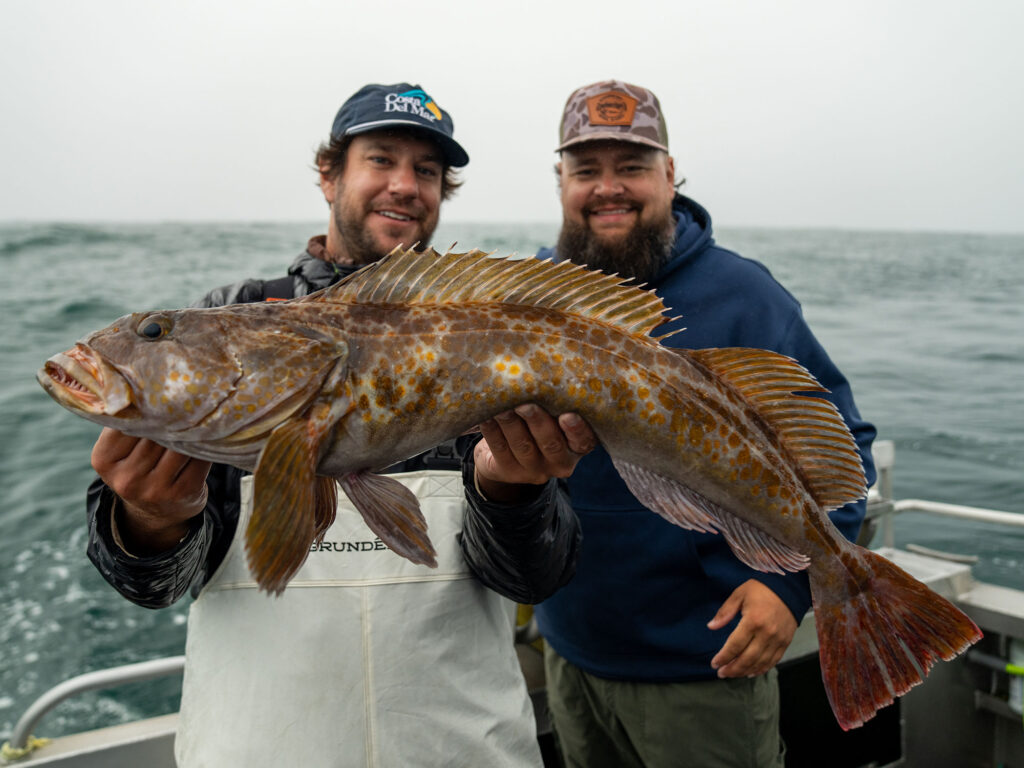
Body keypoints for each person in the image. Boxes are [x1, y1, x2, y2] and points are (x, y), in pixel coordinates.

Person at [85, 82, 590, 768]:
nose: (405, 186)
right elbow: (151, 585)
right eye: (381, 159)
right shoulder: (229, 318)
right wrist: (150, 519)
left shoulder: (486, 336)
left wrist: (513, 492)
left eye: (428, 171)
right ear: (329, 173)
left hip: (463, 747)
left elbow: (536, 577)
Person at [510, 80, 878, 768]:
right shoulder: (532, 297)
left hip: (706, 668)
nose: (608, 188)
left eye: (633, 167)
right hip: (570, 652)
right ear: (560, 181)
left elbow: (843, 443)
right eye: (586, 170)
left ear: (671, 174)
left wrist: (789, 587)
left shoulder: (745, 294)